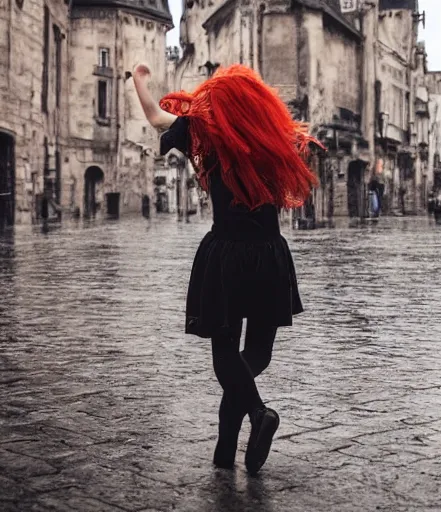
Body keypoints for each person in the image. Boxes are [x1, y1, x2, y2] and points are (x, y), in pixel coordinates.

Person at [133, 63, 319, 473]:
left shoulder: (206, 131)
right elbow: (302, 143)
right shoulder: (275, 137)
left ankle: (258, 415)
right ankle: (224, 451)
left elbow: (153, 117)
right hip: (269, 254)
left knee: (224, 357)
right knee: (256, 354)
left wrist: (139, 80)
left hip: (227, 257)